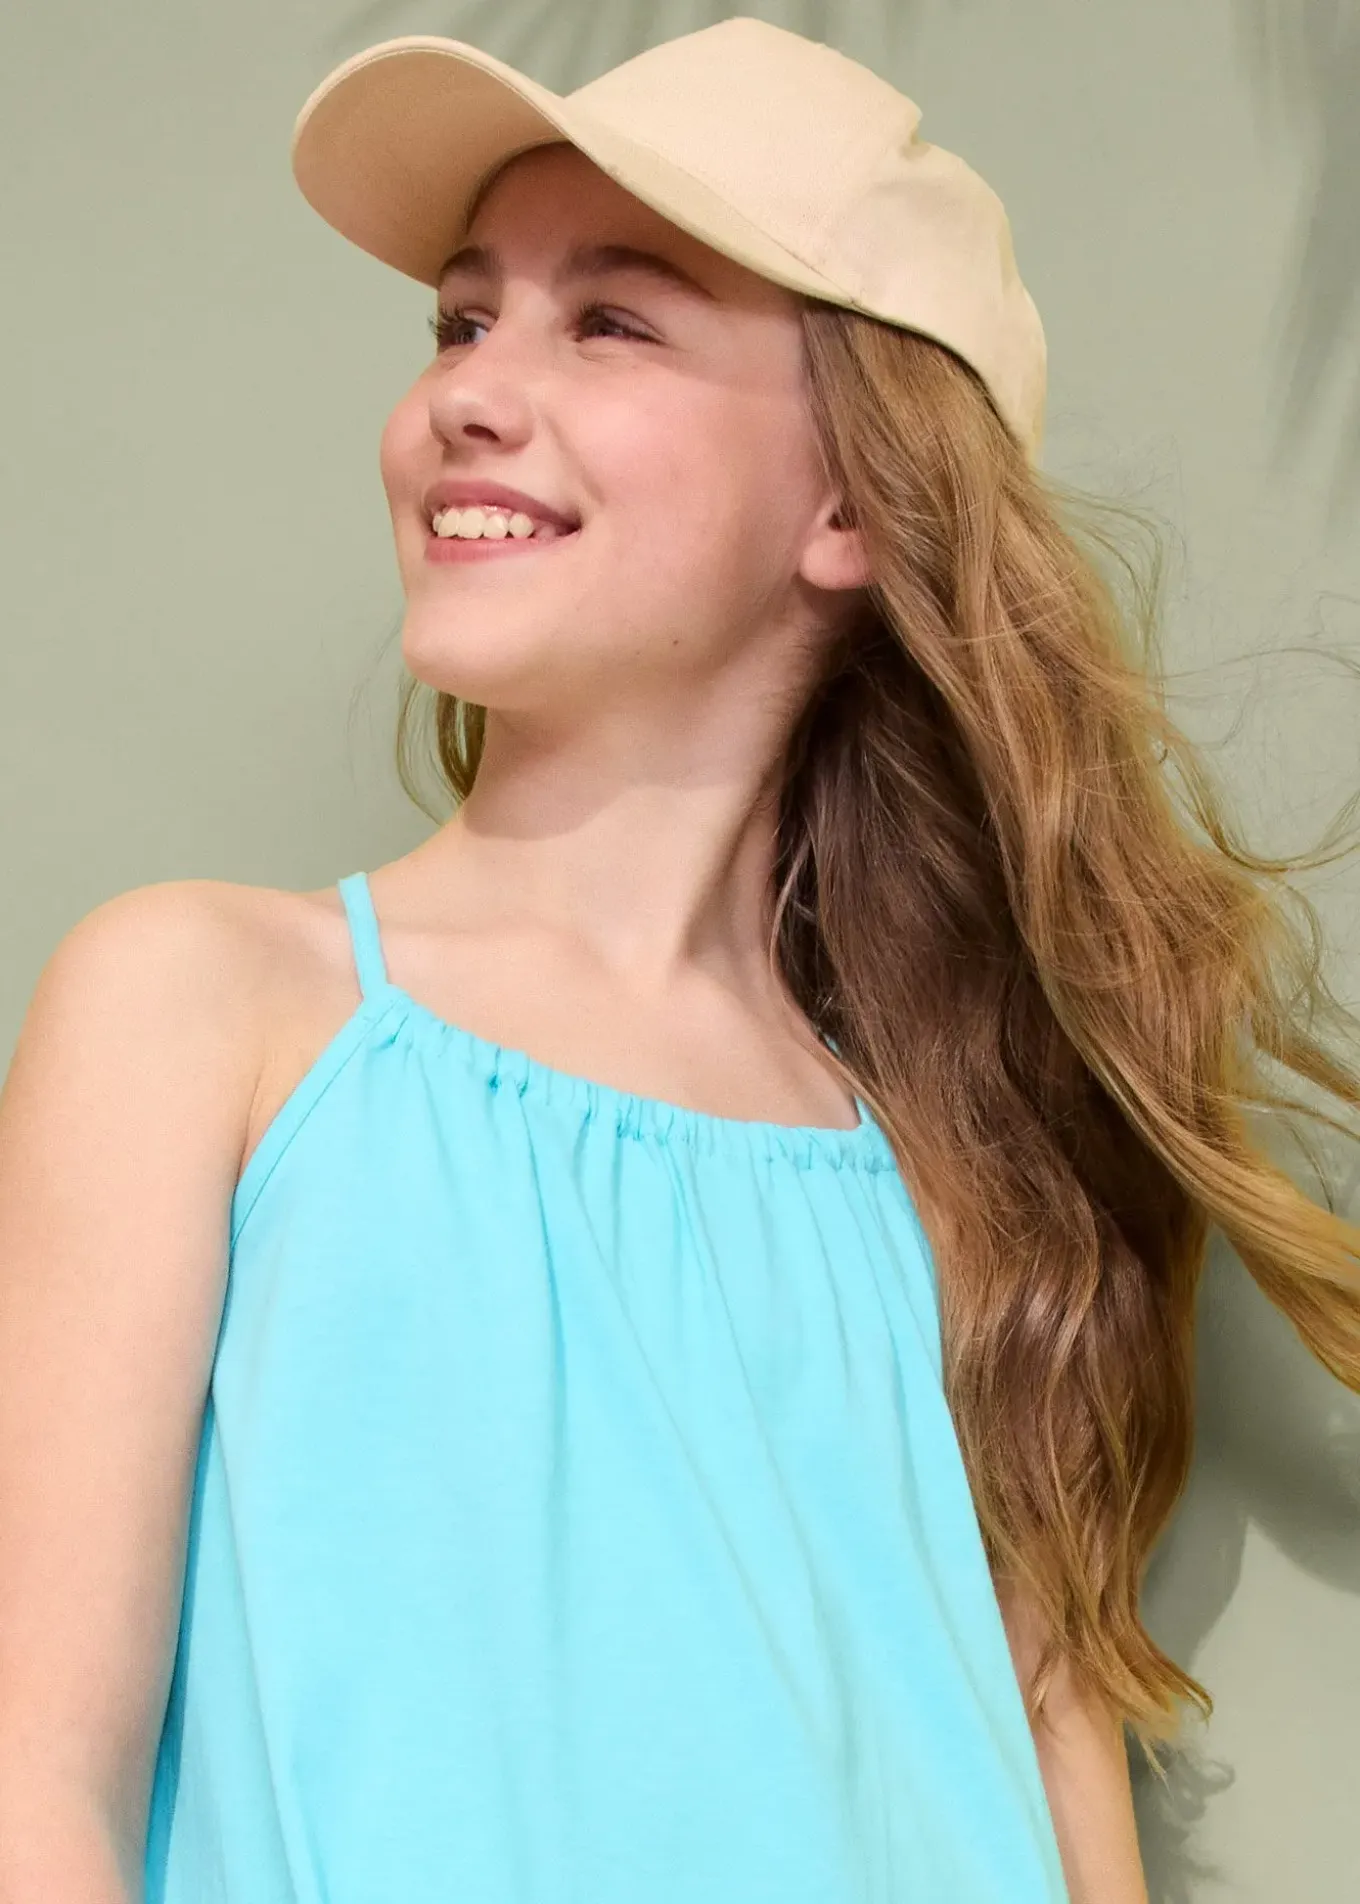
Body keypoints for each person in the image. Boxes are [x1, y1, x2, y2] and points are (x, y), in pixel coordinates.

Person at [1, 16, 1357, 1904]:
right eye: (461, 321)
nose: (472, 392)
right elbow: (32, 1790)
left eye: (613, 322)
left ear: (852, 504)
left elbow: (1066, 1840)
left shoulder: (956, 1177)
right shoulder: (203, 1012)